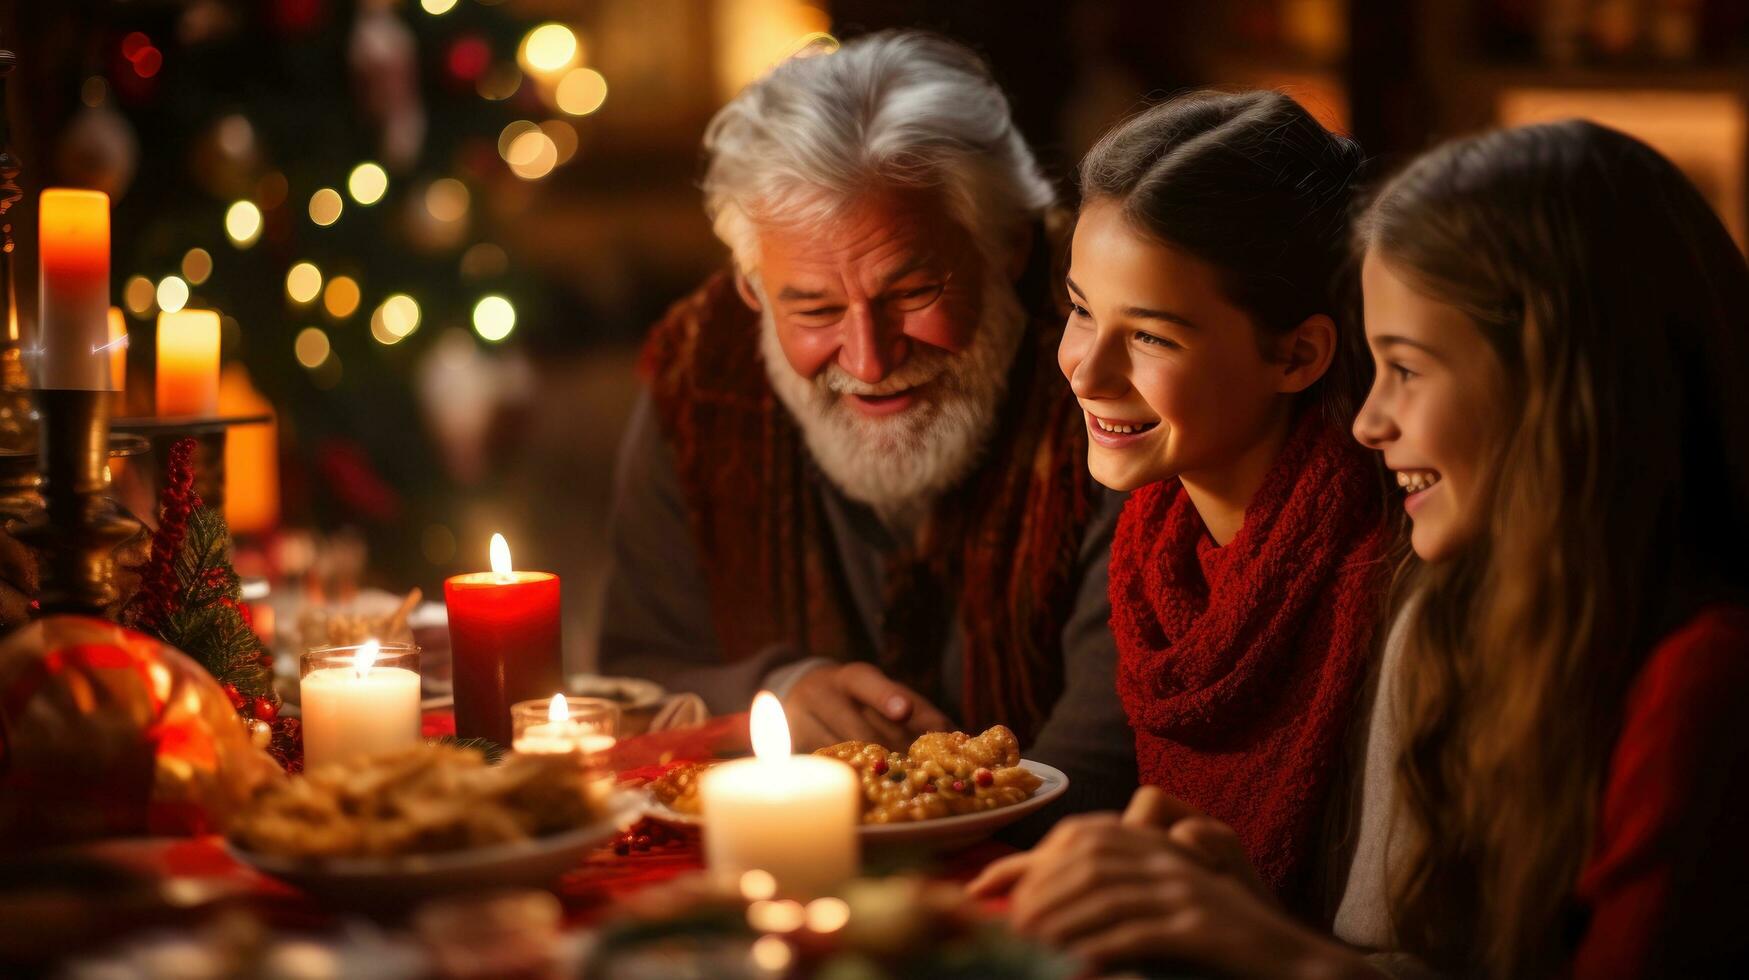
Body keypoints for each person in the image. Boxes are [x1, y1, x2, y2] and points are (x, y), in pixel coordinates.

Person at [972, 120, 1749, 977]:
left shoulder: (1651, 661)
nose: (1369, 424)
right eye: (1079, 308)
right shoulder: (1158, 550)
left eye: (1407, 369)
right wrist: (1239, 912)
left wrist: (1269, 944)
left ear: (1561, 392)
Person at [597, 31, 1136, 814]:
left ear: (1010, 245)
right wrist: (772, 693)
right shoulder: (699, 373)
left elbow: (1107, 760)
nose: (870, 358)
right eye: (813, 308)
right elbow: (628, 678)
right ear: (751, 292)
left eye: (912, 293)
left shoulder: (1106, 373)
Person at [1051, 90, 1392, 908]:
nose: (1086, 372)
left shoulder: (1389, 578)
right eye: (1079, 310)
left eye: (1150, 336)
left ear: (1298, 354)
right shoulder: (1157, 553)